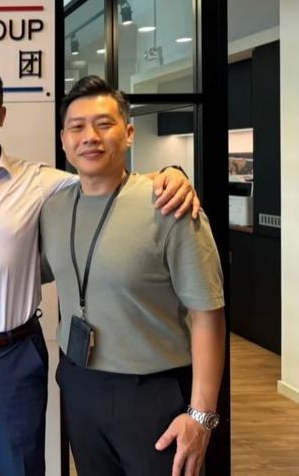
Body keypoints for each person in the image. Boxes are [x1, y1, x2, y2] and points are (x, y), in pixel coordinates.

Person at [0, 65, 199, 476]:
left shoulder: (43, 182)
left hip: (13, 355)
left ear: (2, 114)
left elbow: (106, 178)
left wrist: (171, 174)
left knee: (22, 468)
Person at [40, 75, 225, 476]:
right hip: (80, 383)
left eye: (103, 124)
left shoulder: (170, 205)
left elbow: (208, 314)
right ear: (64, 140)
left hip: (153, 392)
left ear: (128, 133)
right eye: (77, 127)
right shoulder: (53, 209)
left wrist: (201, 415)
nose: (90, 137)